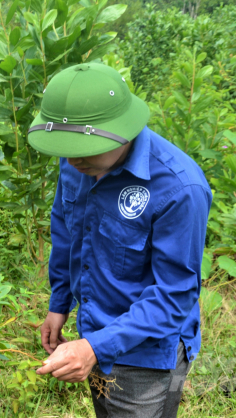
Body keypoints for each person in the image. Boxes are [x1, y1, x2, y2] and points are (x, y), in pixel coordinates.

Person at [27, 63, 211, 417]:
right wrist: (59, 302)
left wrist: (94, 348)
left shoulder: (178, 188)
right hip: (93, 331)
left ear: (122, 132)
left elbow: (175, 295)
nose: (73, 159)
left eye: (85, 149)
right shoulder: (78, 161)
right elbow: (66, 229)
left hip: (147, 356)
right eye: (66, 148)